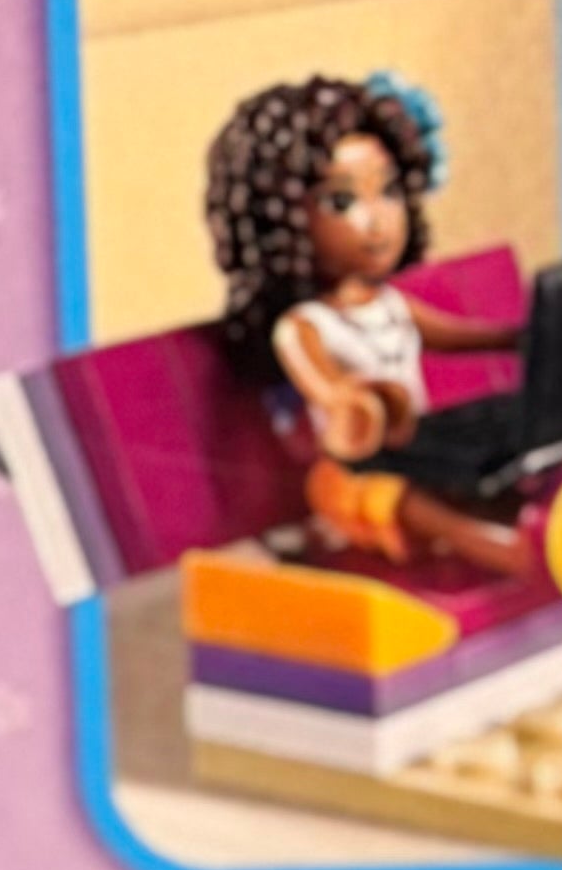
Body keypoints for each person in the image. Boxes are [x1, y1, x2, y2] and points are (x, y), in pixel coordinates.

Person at [204, 73, 529, 578]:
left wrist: (521, 337)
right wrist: (353, 398)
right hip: (351, 472)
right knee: (395, 499)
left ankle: (533, 519)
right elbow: (325, 388)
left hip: (419, 451)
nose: (377, 221)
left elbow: (458, 335)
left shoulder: (392, 304)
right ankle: (496, 547)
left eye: (390, 192)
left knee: (494, 454)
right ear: (282, 219)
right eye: (342, 202)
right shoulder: (305, 326)